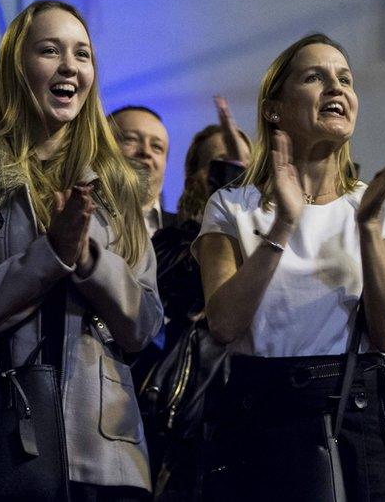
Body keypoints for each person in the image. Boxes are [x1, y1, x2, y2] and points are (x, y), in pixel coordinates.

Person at [0, 0, 163, 500]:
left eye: (83, 54)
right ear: (16, 68)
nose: (70, 66)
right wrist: (49, 256)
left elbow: (143, 327)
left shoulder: (118, 187)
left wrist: (91, 261)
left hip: (102, 455)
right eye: (50, 51)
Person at [194, 33, 385, 501]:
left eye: (345, 79)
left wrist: (367, 230)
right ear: (275, 108)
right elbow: (223, 323)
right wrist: (284, 224)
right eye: (315, 77)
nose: (337, 88)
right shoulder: (231, 206)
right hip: (259, 418)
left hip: (355, 417)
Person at [143, 101, 252, 500]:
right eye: (221, 165)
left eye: (244, 168)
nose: (234, 176)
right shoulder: (172, 241)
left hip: (259, 417)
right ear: (192, 177)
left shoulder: (280, 240)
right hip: (190, 427)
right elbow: (190, 278)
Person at [111, 105, 173, 235]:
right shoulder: (74, 219)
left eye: (156, 146)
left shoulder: (189, 237)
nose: (145, 151)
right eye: (131, 139)